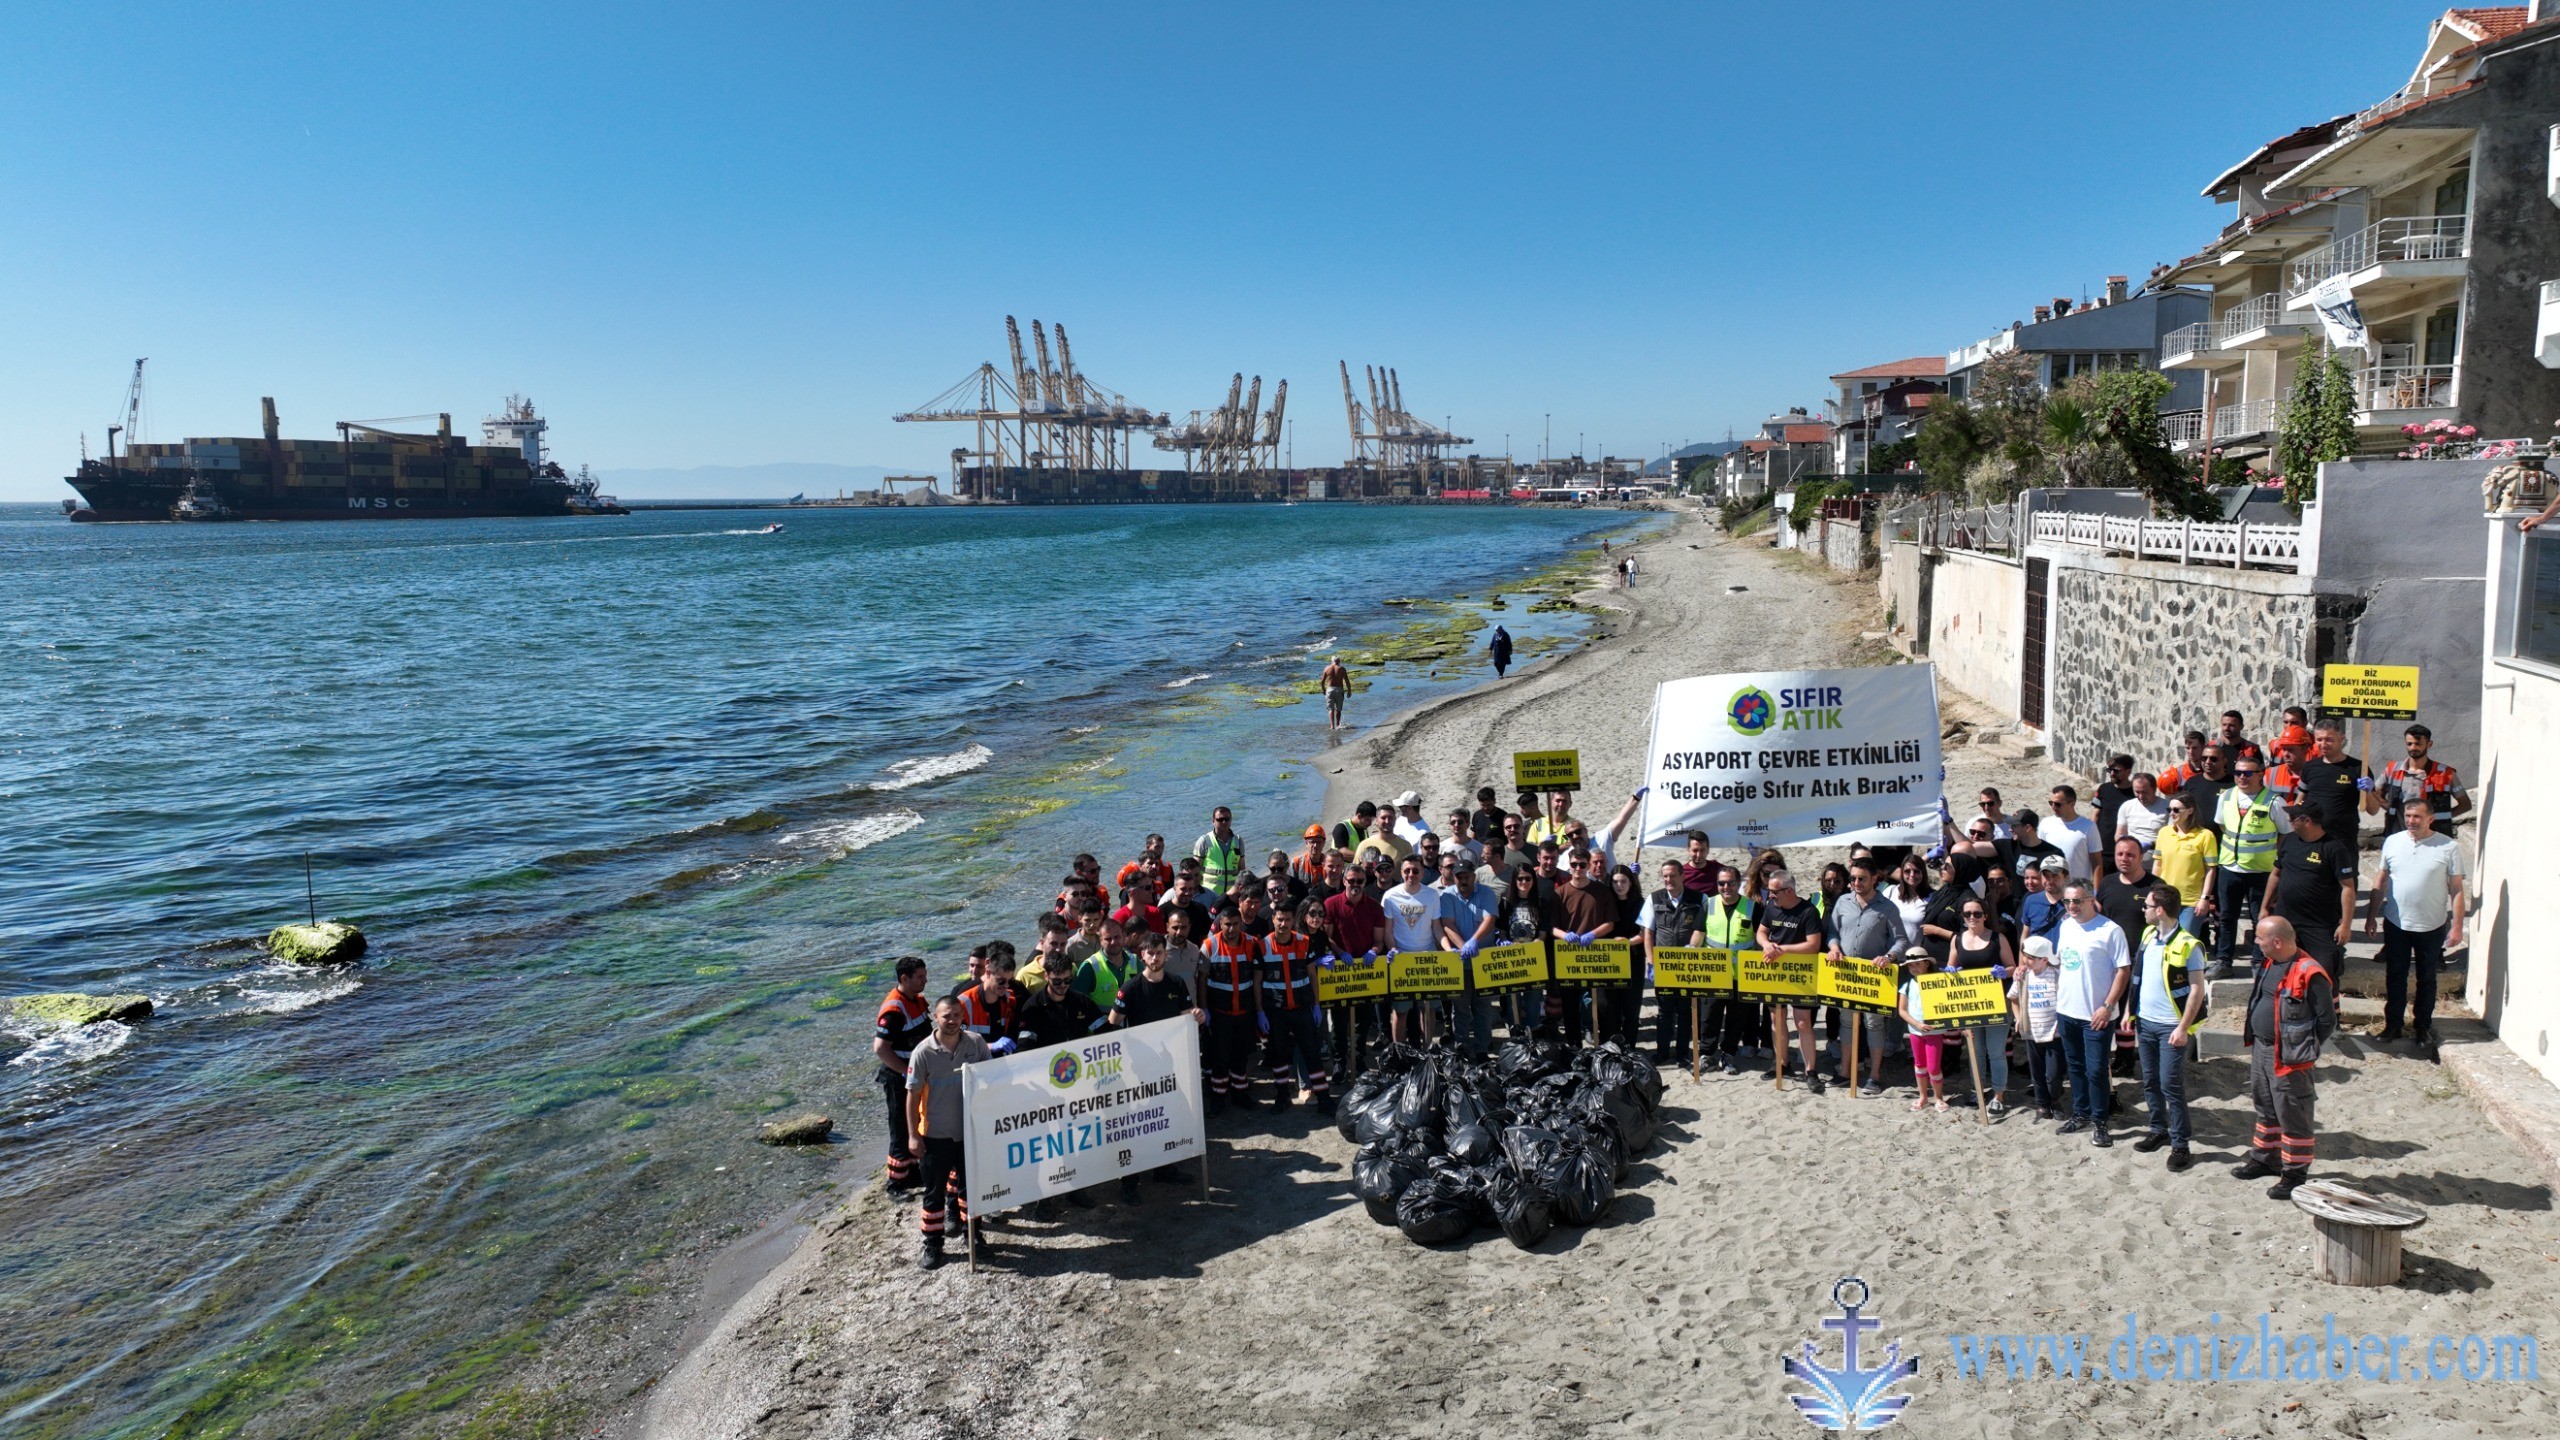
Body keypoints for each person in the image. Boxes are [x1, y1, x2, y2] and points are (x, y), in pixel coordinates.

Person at [2235, 916, 2336, 1201]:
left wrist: (2303, 1048)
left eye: (2259, 938)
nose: (2256, 942)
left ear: (2276, 942)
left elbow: (2326, 1021)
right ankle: (2265, 1159)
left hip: (2289, 1058)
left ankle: (2294, 1174)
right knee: (2266, 1106)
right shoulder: (2270, 963)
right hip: (2262, 1049)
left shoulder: (2309, 972)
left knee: (2294, 1115)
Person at [2369, 794, 2466, 1047]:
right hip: (2397, 923)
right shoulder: (2392, 842)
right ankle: (2393, 1026)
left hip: (2431, 925)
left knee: (2427, 978)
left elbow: (2456, 890)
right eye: (2408, 816)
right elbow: (2380, 882)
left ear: (2430, 819)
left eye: (2417, 816)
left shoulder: (2448, 847)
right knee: (2395, 975)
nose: (2411, 821)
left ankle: (2422, 1027)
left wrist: (2456, 927)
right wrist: (2371, 915)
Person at [907, 995, 993, 1268]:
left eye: (957, 1015)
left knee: (972, 1191)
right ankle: (933, 1245)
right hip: (935, 1136)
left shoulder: (976, 1043)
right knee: (933, 1194)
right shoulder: (923, 1052)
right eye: (947, 1015)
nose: (953, 1020)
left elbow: (991, 1079)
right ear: (936, 1016)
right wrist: (912, 1135)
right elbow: (912, 1096)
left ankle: (974, 1236)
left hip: (969, 1134)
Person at [2131, 884, 2207, 1171]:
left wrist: (2183, 1028)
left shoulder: (2189, 945)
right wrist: (2132, 1010)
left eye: (2147, 906)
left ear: (2159, 910)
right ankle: (2158, 1130)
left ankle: (2180, 1144)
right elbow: (2140, 975)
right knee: (2150, 1081)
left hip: (2171, 1027)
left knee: (2171, 1086)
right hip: (2146, 1022)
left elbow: (2197, 990)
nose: (2143, 910)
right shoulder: (2149, 934)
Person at [2052, 880, 2130, 1144]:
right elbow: (2062, 963)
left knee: (2096, 1069)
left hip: (2096, 1014)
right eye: (2067, 901)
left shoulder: (2110, 930)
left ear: (2091, 899)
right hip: (2067, 1010)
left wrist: (2108, 1006)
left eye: (2077, 900)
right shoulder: (2065, 926)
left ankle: (2100, 1121)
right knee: (2074, 1067)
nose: (2072, 906)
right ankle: (2081, 1113)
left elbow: (2123, 970)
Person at [1827, 856, 1910, 1097]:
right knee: (1846, 1022)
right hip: (1846, 975)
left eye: (1861, 878)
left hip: (1874, 977)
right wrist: (1833, 947)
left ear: (1875, 879)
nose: (1855, 883)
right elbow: (1833, 932)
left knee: (1873, 1024)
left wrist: (1889, 957)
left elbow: (1901, 940)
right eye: (1852, 878)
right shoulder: (1843, 901)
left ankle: (1874, 1074)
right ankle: (1845, 1070)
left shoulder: (1887, 907)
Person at [2207, 754, 2290, 979]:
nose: (2242, 777)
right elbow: (2223, 826)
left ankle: (2259, 962)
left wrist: (2275, 862)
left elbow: (2285, 834)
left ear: (2260, 774)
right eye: (2238, 772)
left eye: (2247, 773)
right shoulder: (2226, 797)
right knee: (2226, 918)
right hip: (2230, 868)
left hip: (2261, 871)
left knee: (2260, 920)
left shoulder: (2274, 802)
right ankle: (2224, 961)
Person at [2263, 804, 2355, 981]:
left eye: (2293, 819)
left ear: (2307, 821)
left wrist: (2345, 925)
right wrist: (2265, 907)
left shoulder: (2334, 848)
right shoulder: (2288, 841)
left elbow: (2348, 887)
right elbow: (2275, 875)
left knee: (2322, 975)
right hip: (2286, 922)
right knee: (2282, 972)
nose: (2289, 822)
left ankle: (2327, 1009)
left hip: (2318, 926)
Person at [1755, 871, 1828, 1092]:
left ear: (1789, 890)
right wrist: (1767, 944)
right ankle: (1782, 1063)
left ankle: (1810, 1071)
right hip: (1775, 973)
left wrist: (1782, 950)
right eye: (1769, 891)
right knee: (1776, 1020)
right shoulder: (1771, 907)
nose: (1770, 896)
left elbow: (1813, 945)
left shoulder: (1808, 912)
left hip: (1802, 974)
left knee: (1803, 1023)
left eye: (1774, 892)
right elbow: (1761, 932)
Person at [1943, 890, 2013, 1115]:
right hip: (1970, 1004)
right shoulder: (1957, 939)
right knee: (1976, 1050)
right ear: (1962, 917)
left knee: (1996, 1051)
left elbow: (2013, 967)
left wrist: (2004, 972)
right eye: (1967, 914)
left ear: (1985, 915)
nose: (1972, 917)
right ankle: (1978, 1089)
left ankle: (1999, 1094)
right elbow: (1949, 968)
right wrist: (1950, 972)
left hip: (1997, 1003)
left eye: (1976, 913)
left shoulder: (1997, 938)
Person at [1256, 900, 1331, 1112]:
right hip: (1275, 1010)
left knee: (1311, 1052)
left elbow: (1312, 975)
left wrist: (1316, 1005)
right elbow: (1257, 981)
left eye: (1287, 919)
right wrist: (1260, 1011)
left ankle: (1324, 1098)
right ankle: (1282, 1096)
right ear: (1273, 920)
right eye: (1279, 919)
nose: (1283, 923)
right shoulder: (1262, 946)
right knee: (1279, 1055)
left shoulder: (1304, 942)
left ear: (1292, 921)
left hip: (1301, 1007)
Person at [873, 956, 934, 1194]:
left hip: (915, 1075)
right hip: (899, 1078)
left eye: (925, 975)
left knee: (917, 1121)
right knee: (900, 1126)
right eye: (920, 977)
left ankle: (910, 1171)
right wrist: (906, 1072)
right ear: (904, 979)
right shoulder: (894, 1009)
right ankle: (896, 1183)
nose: (925, 981)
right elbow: (880, 1048)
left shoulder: (916, 1000)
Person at [1549, 845, 1618, 1045]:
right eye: (1574, 865)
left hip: (1596, 955)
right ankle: (1574, 1047)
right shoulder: (1559, 893)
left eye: (1581, 865)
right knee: (1570, 1006)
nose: (1578, 868)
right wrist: (1565, 935)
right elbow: (1551, 927)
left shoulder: (1601, 891)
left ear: (1588, 865)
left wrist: (1593, 935)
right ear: (1569, 866)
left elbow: (1610, 923)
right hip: (1569, 956)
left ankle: (1605, 1046)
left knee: (1602, 1004)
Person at [1199, 904, 1264, 1112]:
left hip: (1244, 1012)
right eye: (1227, 925)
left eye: (1236, 924)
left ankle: (1240, 1093)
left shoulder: (1252, 944)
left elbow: (1257, 977)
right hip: (1220, 1014)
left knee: (1241, 1055)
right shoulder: (1209, 946)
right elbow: (1201, 981)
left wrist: (1259, 1010)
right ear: (1220, 925)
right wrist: (1204, 1009)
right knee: (1220, 1057)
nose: (1232, 929)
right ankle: (1218, 1099)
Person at [1438, 852, 1503, 1059]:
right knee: (1460, 1006)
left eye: (1466, 876)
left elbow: (1489, 919)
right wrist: (1463, 946)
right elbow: (1447, 924)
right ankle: (1462, 1046)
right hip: (1460, 961)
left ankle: (1483, 1047)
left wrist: (1474, 941)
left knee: (1483, 1006)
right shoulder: (1447, 895)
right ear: (1453, 877)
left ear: (1474, 876)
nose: (1463, 880)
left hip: (1483, 960)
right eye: (1459, 876)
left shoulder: (1486, 893)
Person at [1642, 858, 1705, 1066]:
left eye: (1673, 875)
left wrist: (1692, 949)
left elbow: (1700, 928)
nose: (1668, 879)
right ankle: (1662, 1052)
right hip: (1663, 966)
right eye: (1665, 876)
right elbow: (1648, 932)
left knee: (1686, 1010)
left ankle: (1682, 1053)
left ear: (1682, 876)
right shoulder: (1654, 899)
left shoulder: (1699, 899)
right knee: (1664, 1011)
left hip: (1688, 965)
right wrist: (1651, 962)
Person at [1700, 866, 1760, 1073]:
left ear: (1738, 884)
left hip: (1740, 975)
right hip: (1714, 974)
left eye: (1730, 883)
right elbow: (1699, 935)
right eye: (1721, 883)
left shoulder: (1752, 907)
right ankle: (1707, 1055)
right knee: (1709, 1017)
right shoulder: (1708, 904)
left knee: (1736, 1019)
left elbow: (1760, 939)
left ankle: (1729, 1055)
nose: (1726, 887)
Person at [1381, 855, 1445, 1045]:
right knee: (1401, 1010)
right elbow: (1387, 930)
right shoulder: (1390, 896)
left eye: (1415, 871)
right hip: (1402, 960)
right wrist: (1392, 949)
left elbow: (1437, 929)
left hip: (1428, 957)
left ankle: (1426, 1048)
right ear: (1401, 873)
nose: (1411, 874)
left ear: (1422, 873)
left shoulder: (1432, 895)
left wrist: (1448, 950)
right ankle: (1399, 1050)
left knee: (1429, 1008)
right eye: (1407, 870)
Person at [2290, 720, 2376, 852]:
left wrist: (2368, 792)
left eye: (2329, 739)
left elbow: (2373, 810)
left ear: (2341, 738)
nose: (2323, 744)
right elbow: (2300, 800)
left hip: (2343, 840)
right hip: (2312, 838)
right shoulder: (2309, 767)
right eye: (2319, 739)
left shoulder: (2359, 768)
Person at [2009, 936, 2065, 1121]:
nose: (2026, 961)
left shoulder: (2057, 974)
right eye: (2026, 957)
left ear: (2045, 959)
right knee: (2037, 1072)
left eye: (2031, 958)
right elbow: (2013, 999)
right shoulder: (2023, 976)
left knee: (2054, 1074)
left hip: (2054, 1032)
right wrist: (2018, 1018)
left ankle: (2054, 1099)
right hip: (2032, 1032)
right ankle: (2042, 1104)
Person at [2379, 722, 2472, 834]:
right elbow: (2375, 794)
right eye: (2409, 744)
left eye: (2418, 744)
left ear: (2429, 744)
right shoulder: (2392, 769)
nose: (2413, 747)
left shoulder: (2446, 773)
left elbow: (2465, 804)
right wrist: (2392, 809)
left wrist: (2439, 818)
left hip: (2433, 839)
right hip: (2399, 836)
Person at [2152, 793, 2217, 941]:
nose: (2172, 813)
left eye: (2177, 810)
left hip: (2191, 902)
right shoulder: (2164, 833)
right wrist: (2154, 892)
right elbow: (2158, 864)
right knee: (2163, 941)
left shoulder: (2206, 836)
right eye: (2170, 810)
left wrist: (2205, 898)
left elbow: (2210, 870)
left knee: (2185, 943)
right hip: (2166, 900)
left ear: (2190, 810)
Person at [1599, 864, 1649, 1049]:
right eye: (1615, 882)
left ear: (1631, 882)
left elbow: (1645, 933)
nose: (1619, 885)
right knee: (1608, 1008)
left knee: (1631, 1008)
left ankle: (1629, 1047)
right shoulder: (1605, 902)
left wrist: (1627, 942)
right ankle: (1609, 1048)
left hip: (1633, 959)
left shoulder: (1640, 903)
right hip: (1609, 961)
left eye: (1623, 881)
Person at [1897, 947, 1950, 1113]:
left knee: (1934, 1067)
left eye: (1918, 964)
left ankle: (1938, 1097)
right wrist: (1917, 1024)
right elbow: (1902, 1010)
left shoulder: (1938, 982)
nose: (1914, 968)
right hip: (1915, 1031)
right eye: (1911, 965)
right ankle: (1923, 1096)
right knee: (1919, 1065)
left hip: (1934, 1031)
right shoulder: (1906, 986)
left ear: (1927, 963)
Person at [954, 947, 1024, 1051]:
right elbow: (955, 1043)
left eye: (1010, 981)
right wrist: (990, 1047)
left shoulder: (1010, 1000)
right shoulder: (964, 1004)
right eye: (1001, 981)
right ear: (987, 973)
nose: (1005, 986)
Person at [2094, 835, 2155, 946]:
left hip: (2141, 954)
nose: (2124, 859)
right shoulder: (2107, 882)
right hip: (2109, 952)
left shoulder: (2156, 886)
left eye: (2130, 855)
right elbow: (2097, 914)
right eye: (2120, 854)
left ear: (2141, 857)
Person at [1072, 917, 1137, 1014]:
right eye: (1108, 939)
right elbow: (1076, 1004)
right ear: (1100, 940)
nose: (1113, 942)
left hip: (1134, 1025)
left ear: (1124, 936)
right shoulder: (1089, 967)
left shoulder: (1134, 960)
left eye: (1117, 937)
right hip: (1103, 1027)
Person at [2040, 786, 2102, 883]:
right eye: (2050, 803)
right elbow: (2040, 856)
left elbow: (2097, 862)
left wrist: (2097, 892)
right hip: (2052, 887)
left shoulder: (2089, 826)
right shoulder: (2045, 824)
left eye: (2057, 804)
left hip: (2078, 889)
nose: (2053, 807)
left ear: (2072, 804)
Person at [2093, 755, 2139, 873]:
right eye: (2110, 770)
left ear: (2128, 771)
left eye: (2116, 771)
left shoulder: (2136, 794)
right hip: (2105, 850)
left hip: (2127, 852)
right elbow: (2096, 815)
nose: (2112, 773)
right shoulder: (2104, 789)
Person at [1194, 807, 1247, 898]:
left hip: (1231, 894)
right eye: (1220, 819)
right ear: (1213, 821)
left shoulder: (1238, 840)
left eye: (1227, 819)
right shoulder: (1204, 841)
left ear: (1231, 820)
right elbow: (1194, 870)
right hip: (1208, 894)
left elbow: (1242, 869)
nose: (1224, 822)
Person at [2115, 770, 2171, 855]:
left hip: (2157, 859)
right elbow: (2119, 834)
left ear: (2154, 789)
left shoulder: (2168, 807)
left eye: (2145, 792)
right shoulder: (2126, 806)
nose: (2141, 796)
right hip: (2131, 860)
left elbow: (2172, 837)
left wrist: (2152, 844)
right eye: (2137, 792)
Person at [1117, 836, 1175, 910]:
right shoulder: (1128, 890)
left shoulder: (1159, 886)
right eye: (1150, 863)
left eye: (1156, 864)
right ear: (1140, 866)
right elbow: (1124, 913)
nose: (1154, 866)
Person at [1321, 654, 1350, 730]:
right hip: (1339, 689)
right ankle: (1337, 724)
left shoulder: (1327, 668)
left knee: (1331, 709)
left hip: (1330, 690)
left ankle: (1332, 726)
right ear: (1339, 661)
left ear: (1332, 661)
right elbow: (1347, 681)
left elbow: (1322, 681)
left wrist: (1323, 689)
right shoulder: (1342, 669)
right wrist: (1349, 690)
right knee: (1338, 709)